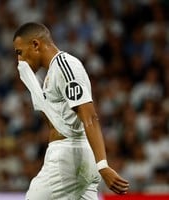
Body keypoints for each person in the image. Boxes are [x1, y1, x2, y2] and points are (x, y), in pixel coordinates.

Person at [13, 22, 129, 200]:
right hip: (80, 158)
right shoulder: (53, 72)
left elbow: (89, 117)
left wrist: (103, 165)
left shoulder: (65, 66)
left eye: (19, 52)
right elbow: (61, 120)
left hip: (68, 157)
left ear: (35, 45)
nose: (19, 60)